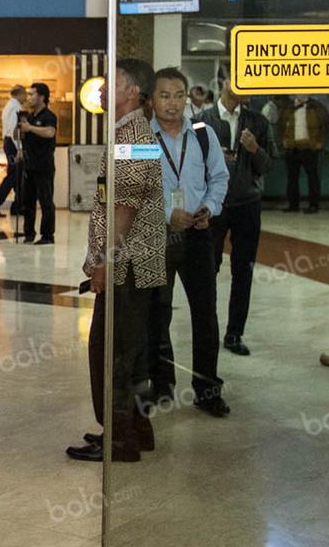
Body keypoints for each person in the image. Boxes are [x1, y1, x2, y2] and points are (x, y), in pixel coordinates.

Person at [66, 59, 165, 463]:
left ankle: (120, 439)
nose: (102, 90)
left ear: (132, 92)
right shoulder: (130, 132)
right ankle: (135, 430)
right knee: (132, 352)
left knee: (112, 354)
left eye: (111, 83)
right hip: (134, 264)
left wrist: (106, 261)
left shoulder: (133, 136)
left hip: (127, 265)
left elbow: (124, 205)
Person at [147, 67, 231, 417]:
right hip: (159, 235)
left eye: (178, 95)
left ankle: (207, 388)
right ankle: (162, 383)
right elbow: (138, 188)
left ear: (187, 97)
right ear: (151, 100)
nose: (172, 103)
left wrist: (209, 208)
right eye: (164, 96)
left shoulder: (203, 133)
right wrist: (168, 212)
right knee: (157, 313)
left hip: (198, 235)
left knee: (205, 314)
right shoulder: (141, 138)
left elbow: (220, 177)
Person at [195, 67, 273, 357]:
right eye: (240, 78)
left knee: (244, 271)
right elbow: (191, 165)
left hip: (247, 206)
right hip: (213, 207)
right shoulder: (202, 121)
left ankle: (234, 333)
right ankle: (208, 330)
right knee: (207, 270)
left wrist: (253, 150)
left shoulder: (259, 122)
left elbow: (268, 165)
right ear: (225, 81)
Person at [19, 83, 57, 244]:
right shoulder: (29, 116)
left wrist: (30, 128)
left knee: (46, 202)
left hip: (44, 166)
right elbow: (23, 136)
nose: (29, 97)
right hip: (29, 165)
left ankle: (48, 235)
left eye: (32, 94)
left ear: (41, 97)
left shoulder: (49, 116)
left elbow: (50, 132)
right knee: (28, 201)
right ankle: (28, 233)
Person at [281, 95, 329, 214]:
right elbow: (281, 124)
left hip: (310, 148)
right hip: (292, 147)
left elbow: (327, 125)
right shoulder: (288, 108)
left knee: (313, 178)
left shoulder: (317, 108)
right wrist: (284, 140)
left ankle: (314, 205)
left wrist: (320, 143)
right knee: (292, 178)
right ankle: (293, 205)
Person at [0, 85, 26, 218]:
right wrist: (19, 148)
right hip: (12, 144)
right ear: (20, 94)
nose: (27, 97)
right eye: (25, 94)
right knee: (13, 176)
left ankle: (18, 205)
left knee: (16, 175)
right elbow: (15, 130)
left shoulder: (9, 106)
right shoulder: (16, 107)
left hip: (8, 142)